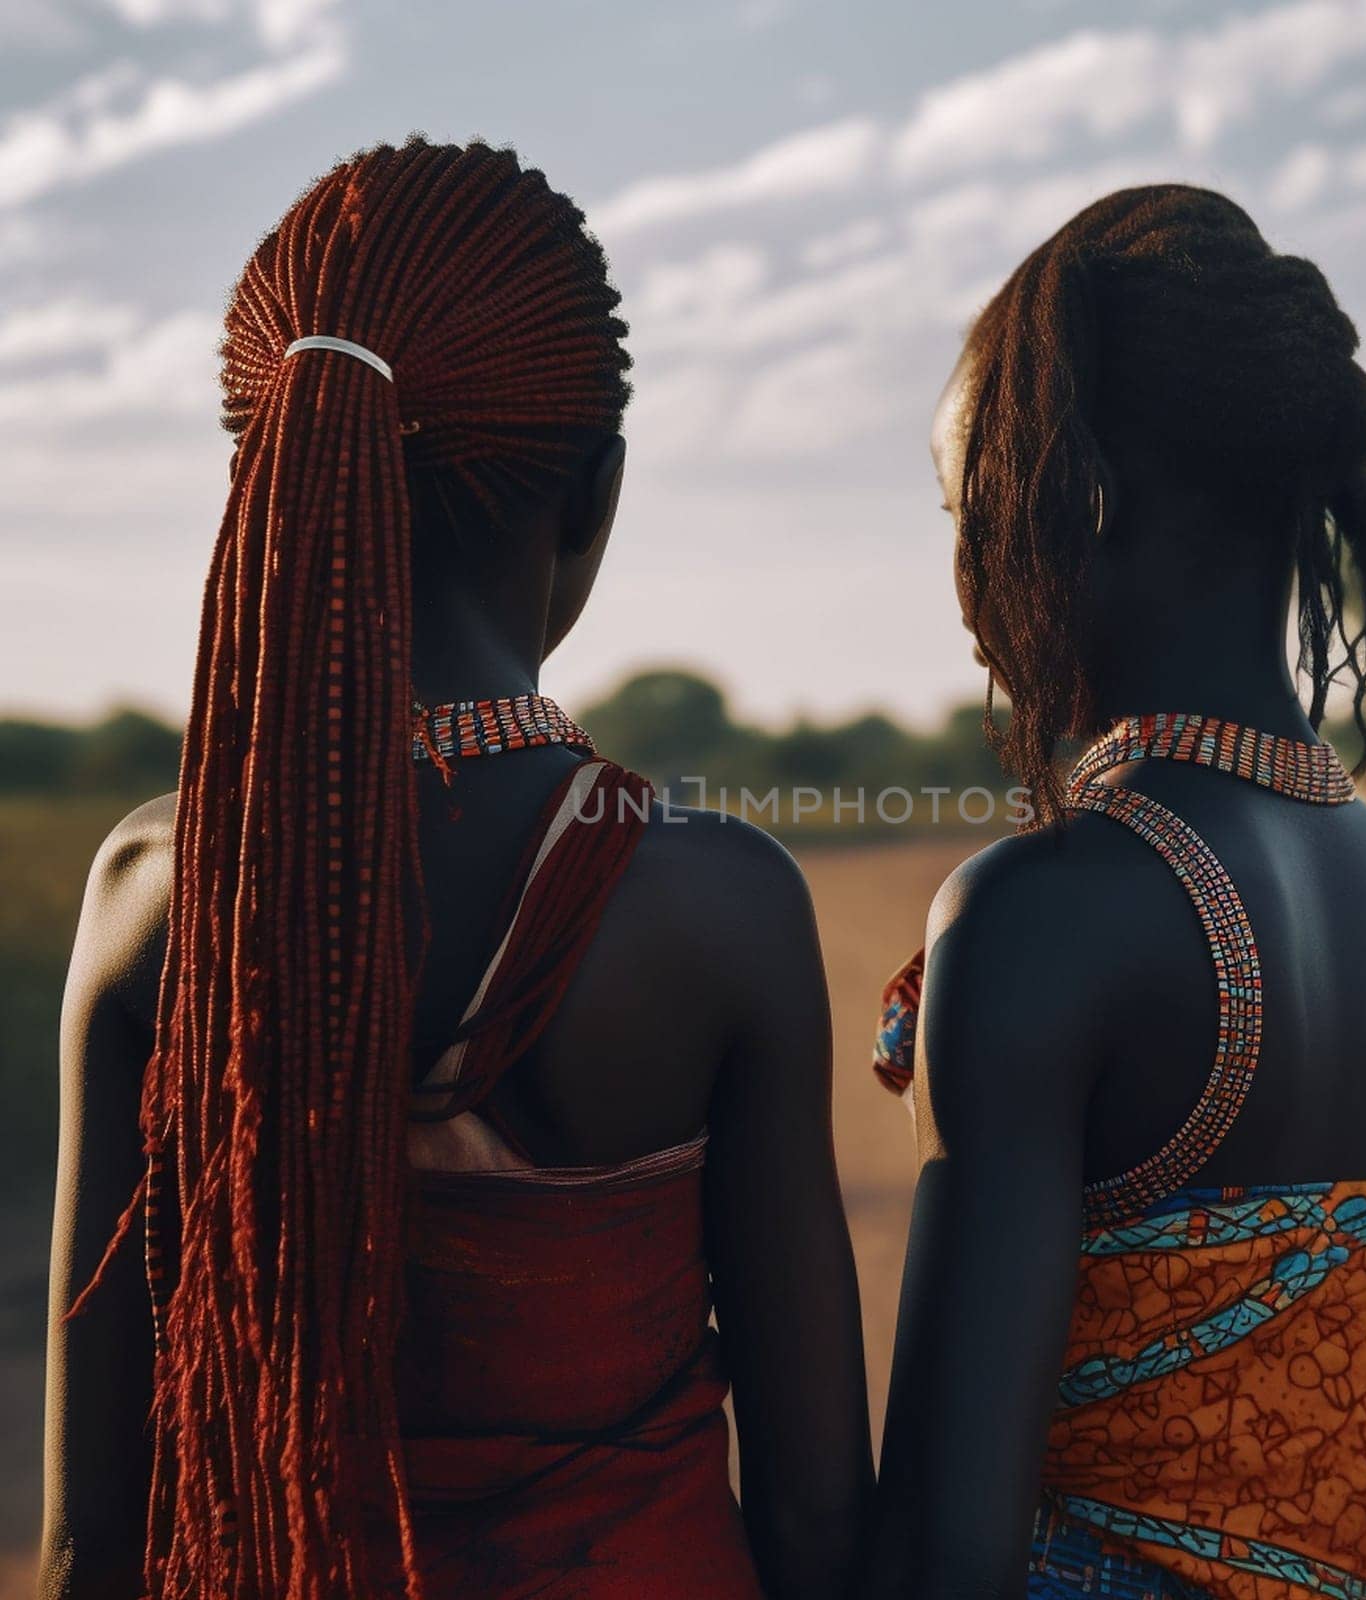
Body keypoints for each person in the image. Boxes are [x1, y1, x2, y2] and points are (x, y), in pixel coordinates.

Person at [41, 138, 872, 1600]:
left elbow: (93, 1535)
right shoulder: (716, 907)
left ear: (269, 480)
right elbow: (813, 1518)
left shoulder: (155, 896)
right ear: (594, 495)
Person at [866, 185, 1366, 1599]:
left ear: (1079, 499)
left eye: (971, 510)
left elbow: (946, 1556)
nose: (964, 584)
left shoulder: (1047, 913)